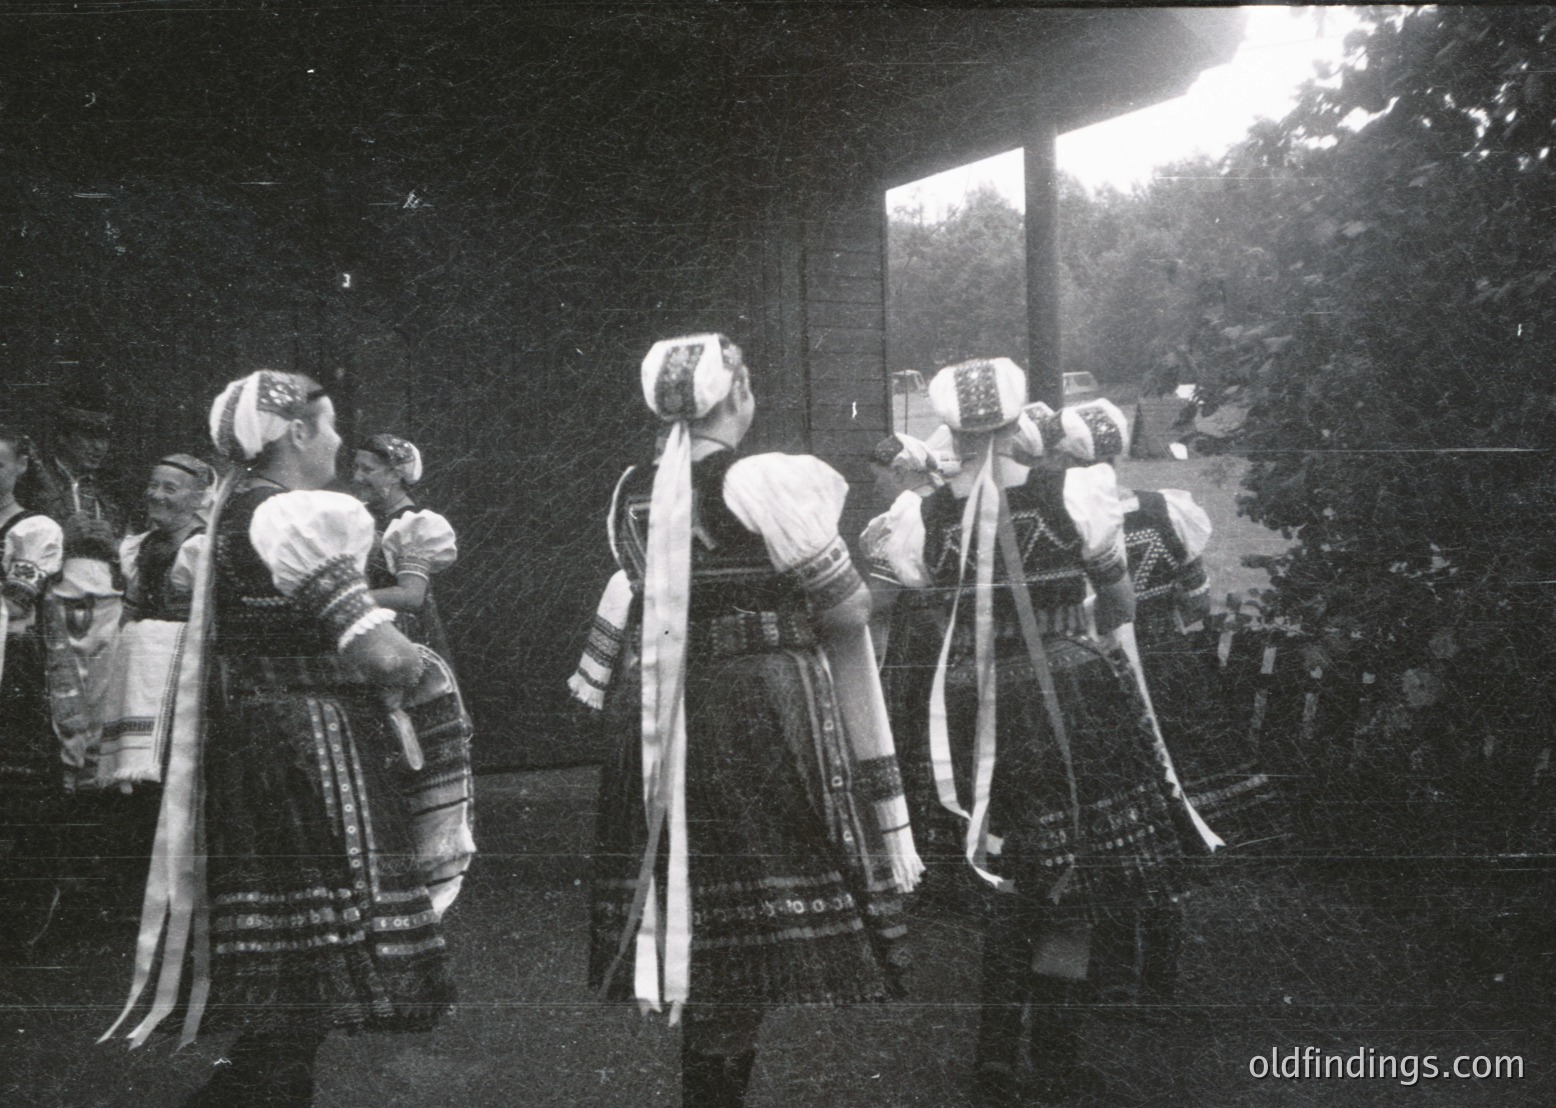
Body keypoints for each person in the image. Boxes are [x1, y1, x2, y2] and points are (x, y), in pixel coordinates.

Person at [582, 333, 922, 1107]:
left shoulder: (634, 488)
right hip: (756, 706)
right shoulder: (761, 479)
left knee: (703, 910)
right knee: (753, 910)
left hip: (669, 710)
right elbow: (847, 611)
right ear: (735, 397)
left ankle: (711, 1082)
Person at [101, 371, 455, 1108]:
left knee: (296, 985)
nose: (334, 444)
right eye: (326, 428)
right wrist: (417, 631)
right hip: (307, 747)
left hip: (252, 741)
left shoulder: (231, 514)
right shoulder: (291, 516)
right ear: (294, 432)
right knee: (307, 981)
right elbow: (379, 651)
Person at [875, 360, 1218, 1107]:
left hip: (973, 698)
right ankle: (1054, 1055)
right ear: (1014, 422)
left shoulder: (921, 516)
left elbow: (932, 605)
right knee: (1074, 875)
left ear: (955, 430)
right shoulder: (1072, 492)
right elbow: (1120, 604)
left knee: (1009, 873)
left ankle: (995, 1058)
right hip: (1073, 690)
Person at [95, 453, 214, 790]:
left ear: (196, 499)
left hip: (184, 670)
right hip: (140, 671)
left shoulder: (200, 547)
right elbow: (130, 609)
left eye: (170, 488)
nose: (156, 494)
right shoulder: (138, 546)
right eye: (153, 484)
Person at [34, 385, 128, 790]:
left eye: (103, 436)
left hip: (103, 617)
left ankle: (91, 787)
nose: (97, 446)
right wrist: (62, 537)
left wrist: (114, 548)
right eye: (87, 435)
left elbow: (129, 566)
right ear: (62, 437)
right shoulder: (33, 489)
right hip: (52, 614)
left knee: (100, 702)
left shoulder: (109, 499)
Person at [0, 426, 66, 946]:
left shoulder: (35, 528)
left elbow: (17, 601)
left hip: (11, 671)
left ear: (21, 466)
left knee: (15, 795)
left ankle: (20, 918)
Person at [351, 433, 458, 658]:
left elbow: (411, 595)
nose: (357, 477)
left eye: (367, 470)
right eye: (357, 468)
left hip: (400, 640)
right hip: (365, 632)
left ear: (395, 474)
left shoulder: (415, 524)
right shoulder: (361, 515)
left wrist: (345, 601)